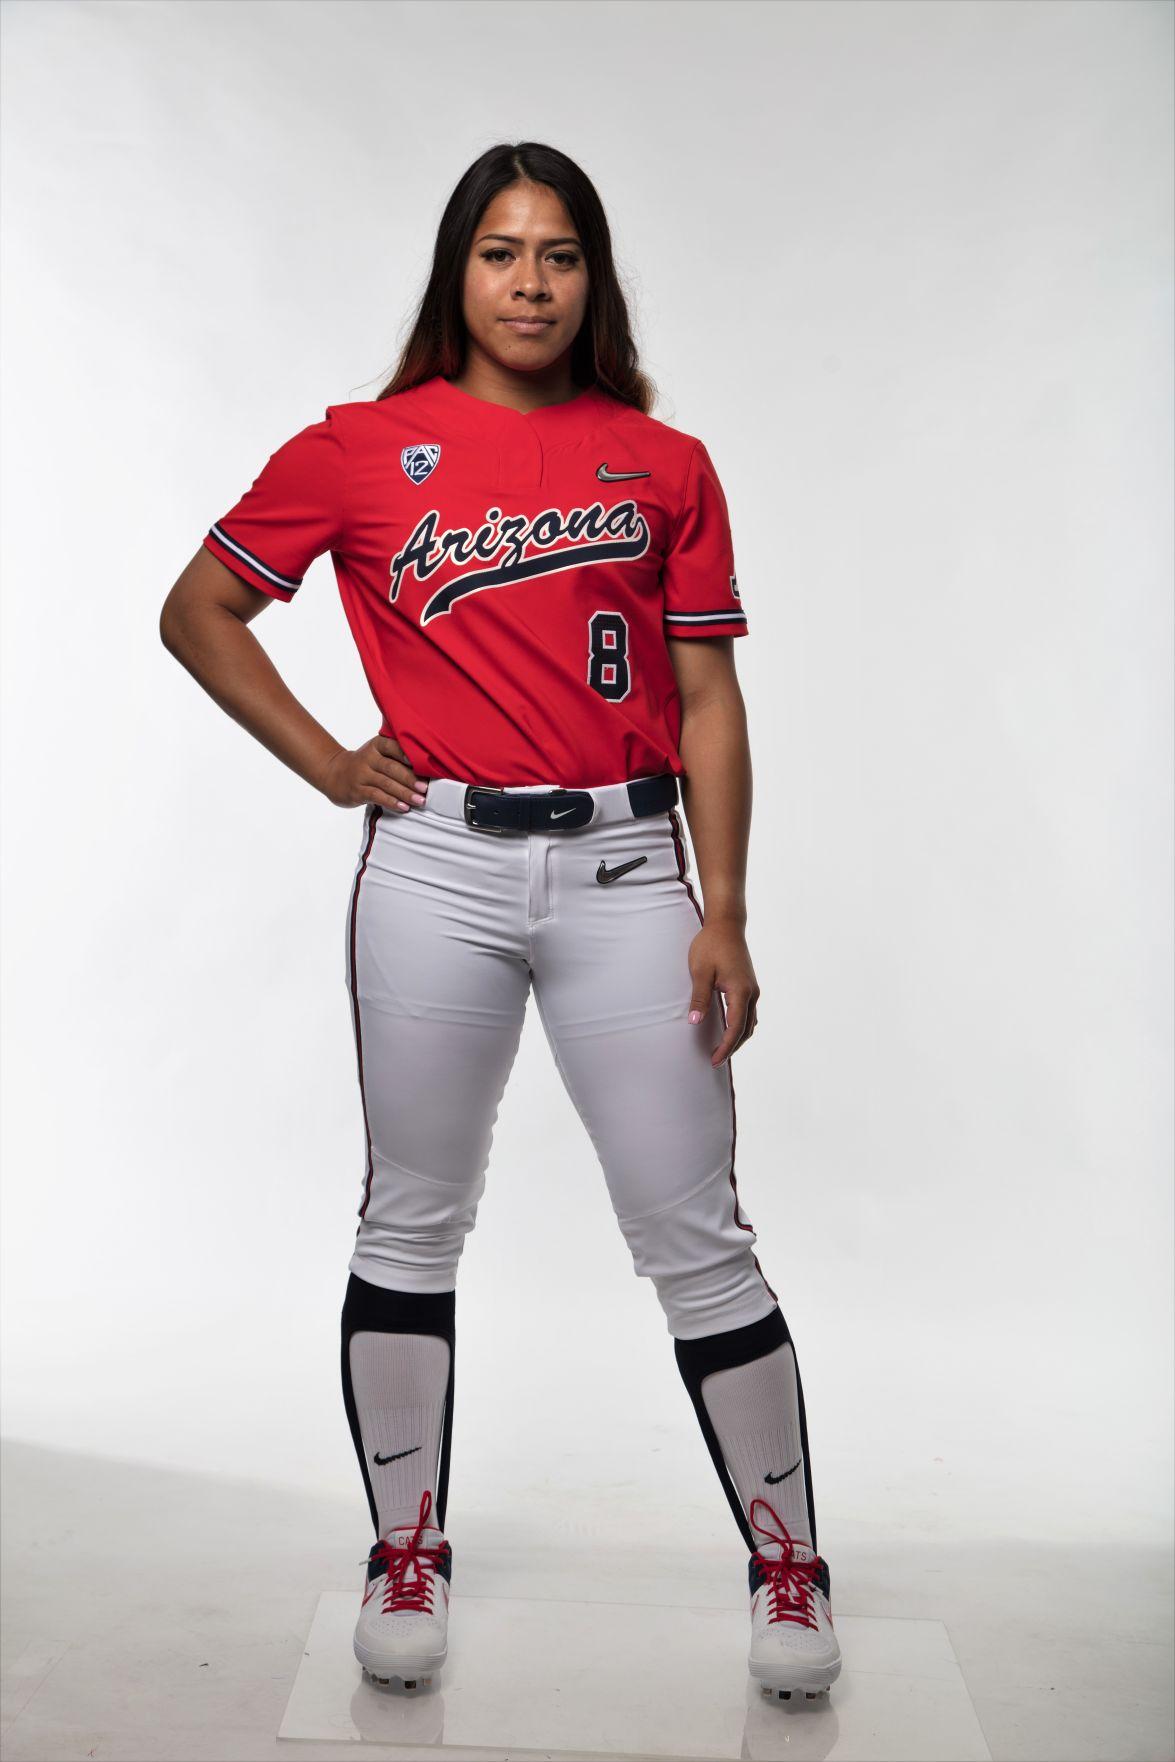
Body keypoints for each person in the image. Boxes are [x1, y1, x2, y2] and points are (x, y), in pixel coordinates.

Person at [160, 140, 842, 1704]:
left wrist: (724, 904)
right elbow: (197, 606)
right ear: (456, 272)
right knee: (412, 1212)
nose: (529, 282)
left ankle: (789, 1561)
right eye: (500, 252)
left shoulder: (660, 461)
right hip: (437, 864)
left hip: (624, 867)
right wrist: (332, 758)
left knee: (698, 1237)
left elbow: (708, 695)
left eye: (559, 255)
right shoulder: (359, 446)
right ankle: (408, 1544)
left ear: (593, 279)